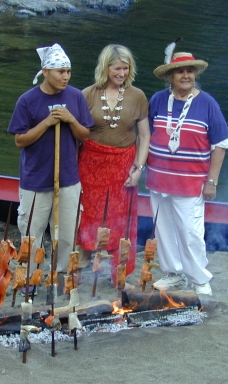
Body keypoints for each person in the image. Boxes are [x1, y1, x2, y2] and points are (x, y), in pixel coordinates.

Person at [7, 43, 94, 294]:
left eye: (68, 71)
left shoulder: (75, 97)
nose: (66, 76)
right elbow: (20, 140)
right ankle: (32, 279)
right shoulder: (28, 100)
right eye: (60, 71)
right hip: (35, 179)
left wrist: (70, 119)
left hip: (67, 178)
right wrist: (46, 122)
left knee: (67, 233)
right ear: (45, 71)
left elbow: (84, 134)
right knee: (32, 233)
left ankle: (61, 276)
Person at [147, 41, 228, 296]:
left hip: (191, 183)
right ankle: (173, 273)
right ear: (170, 77)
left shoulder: (208, 104)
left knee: (191, 232)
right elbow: (145, 135)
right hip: (158, 181)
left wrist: (212, 181)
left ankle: (198, 278)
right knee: (164, 229)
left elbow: (221, 144)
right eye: (180, 71)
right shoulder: (158, 100)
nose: (186, 75)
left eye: (190, 71)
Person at [77, 44, 150, 286]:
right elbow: (76, 133)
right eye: (117, 68)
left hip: (123, 165)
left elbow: (144, 136)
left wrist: (138, 168)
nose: (122, 73)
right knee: (89, 215)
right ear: (105, 68)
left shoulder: (137, 96)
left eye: (126, 69)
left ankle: (118, 275)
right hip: (91, 164)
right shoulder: (87, 94)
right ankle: (79, 267)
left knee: (122, 219)